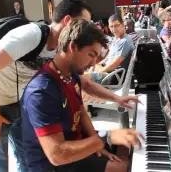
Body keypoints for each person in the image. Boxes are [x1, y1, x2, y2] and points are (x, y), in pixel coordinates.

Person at [0, 0, 139, 172]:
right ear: (67, 21)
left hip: (18, 101)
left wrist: (116, 99)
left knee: (26, 159)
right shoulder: (30, 36)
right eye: (83, 23)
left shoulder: (62, 52)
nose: (87, 29)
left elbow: (83, 83)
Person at [22, 19, 143, 172]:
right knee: (126, 167)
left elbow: (81, 111)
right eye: (91, 55)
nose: (93, 63)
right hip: (57, 164)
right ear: (73, 47)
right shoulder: (42, 92)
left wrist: (97, 146)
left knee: (128, 145)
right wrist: (103, 139)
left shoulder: (69, 74)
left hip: (77, 145)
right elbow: (57, 154)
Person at [85, 14, 134, 84]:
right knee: (88, 71)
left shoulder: (124, 41)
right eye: (111, 26)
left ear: (123, 25)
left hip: (113, 76)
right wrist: (96, 66)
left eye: (116, 25)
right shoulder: (116, 39)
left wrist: (99, 71)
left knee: (82, 78)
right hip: (108, 72)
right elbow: (108, 57)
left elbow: (115, 64)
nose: (114, 29)